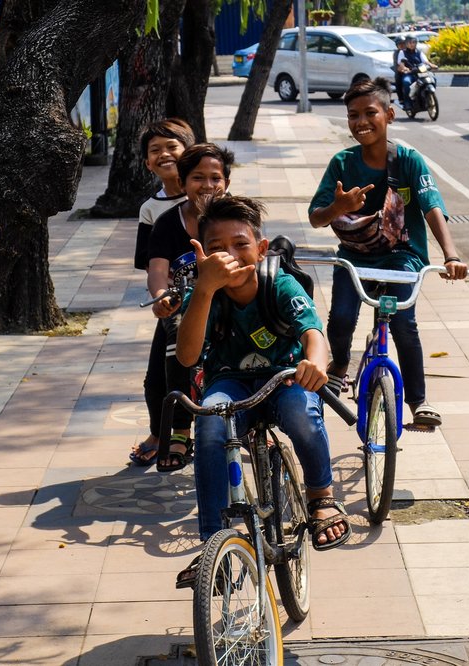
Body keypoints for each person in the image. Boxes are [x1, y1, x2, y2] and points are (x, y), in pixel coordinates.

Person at [173, 195, 350, 587]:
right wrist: (203, 289)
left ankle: (321, 496)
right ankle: (212, 541)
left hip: (284, 377)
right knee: (210, 424)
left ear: (261, 249)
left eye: (240, 244)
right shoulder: (205, 292)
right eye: (217, 248)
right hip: (229, 383)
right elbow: (187, 357)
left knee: (302, 412)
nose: (230, 256)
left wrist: (315, 364)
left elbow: (313, 334)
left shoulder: (279, 283)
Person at [308, 77, 469, 427]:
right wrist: (337, 207)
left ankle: (418, 401)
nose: (361, 122)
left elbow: (431, 206)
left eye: (370, 113)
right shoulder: (342, 163)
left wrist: (451, 255)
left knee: (404, 326)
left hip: (402, 255)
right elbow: (316, 217)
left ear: (390, 115)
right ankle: (338, 364)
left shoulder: (409, 160)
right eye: (353, 115)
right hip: (354, 256)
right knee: (341, 319)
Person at [131, 143, 234, 470]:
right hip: (184, 306)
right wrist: (162, 296)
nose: (207, 185)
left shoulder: (237, 217)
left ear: (226, 183)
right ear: (183, 182)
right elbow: (157, 271)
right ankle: (179, 431)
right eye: (197, 178)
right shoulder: (165, 223)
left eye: (215, 177)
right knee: (166, 366)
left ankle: (260, 416)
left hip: (232, 301)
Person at [129, 119, 196, 466]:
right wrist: (163, 296)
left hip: (215, 298)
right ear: (147, 162)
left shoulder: (206, 193)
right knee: (156, 379)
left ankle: (181, 433)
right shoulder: (151, 209)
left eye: (172, 146)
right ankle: (161, 431)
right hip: (174, 303)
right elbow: (150, 265)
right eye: (155, 150)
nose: (164, 154)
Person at [395, 35, 435, 109]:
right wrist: (405, 68)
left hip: (421, 72)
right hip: (409, 73)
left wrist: (432, 65)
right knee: (406, 82)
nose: (412, 44)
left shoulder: (419, 52)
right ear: (406, 43)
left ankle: (427, 95)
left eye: (414, 42)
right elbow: (401, 64)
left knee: (432, 77)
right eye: (410, 42)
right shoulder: (402, 52)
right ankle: (407, 102)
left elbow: (425, 61)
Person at [392, 35, 408, 106]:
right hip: (400, 71)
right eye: (400, 44)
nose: (402, 45)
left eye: (403, 43)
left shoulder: (408, 51)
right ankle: (401, 98)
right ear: (397, 45)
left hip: (411, 70)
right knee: (398, 80)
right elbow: (397, 66)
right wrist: (403, 70)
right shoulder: (396, 53)